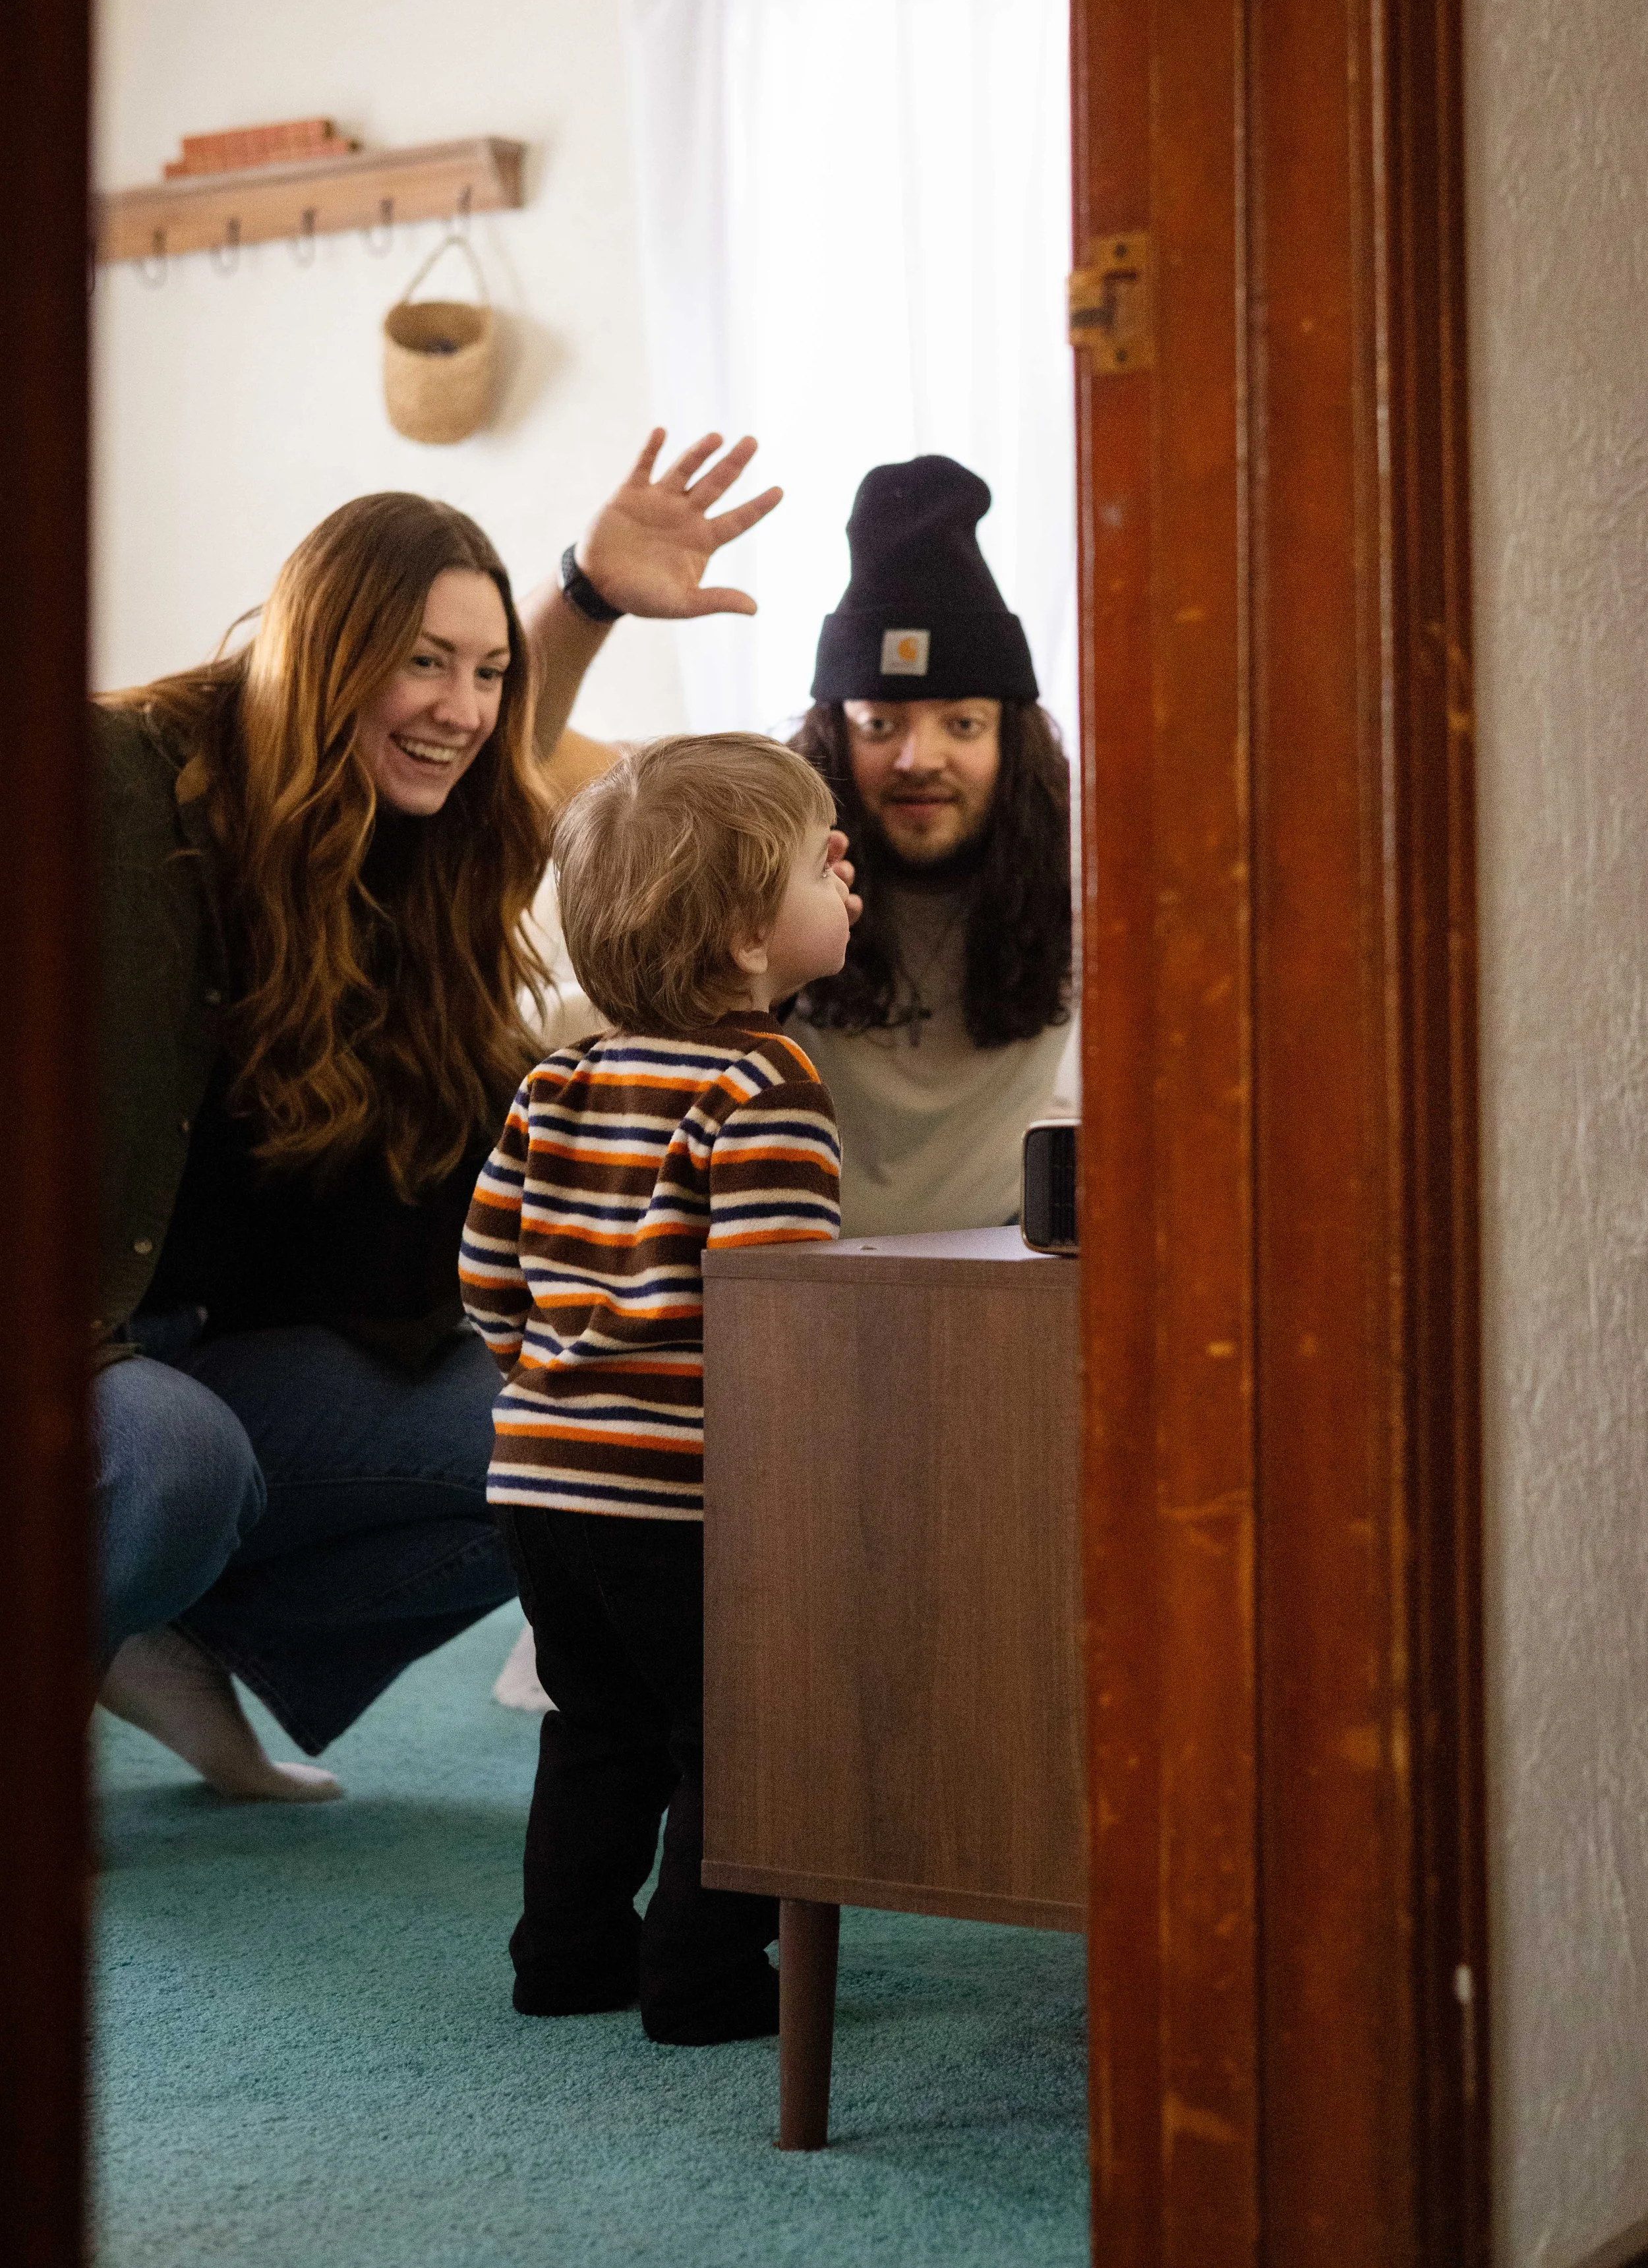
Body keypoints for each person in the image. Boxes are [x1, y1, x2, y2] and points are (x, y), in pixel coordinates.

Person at [94, 428, 792, 1802]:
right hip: (91, 1348)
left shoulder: (405, 848)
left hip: (218, 1356)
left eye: (484, 670)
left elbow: (498, 749)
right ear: (325, 653)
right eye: (422, 659)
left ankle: (156, 1635)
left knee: (574, 1431)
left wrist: (580, 602)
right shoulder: (129, 781)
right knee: (175, 1459)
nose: (461, 706)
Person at [461, 735, 848, 2043]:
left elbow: (485, 1268)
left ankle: (565, 1950)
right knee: (731, 1731)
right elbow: (771, 1318)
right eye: (818, 861)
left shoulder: (557, 1078)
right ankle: (701, 1974)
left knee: (595, 1719)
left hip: (538, 1474)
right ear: (749, 935)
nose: (843, 873)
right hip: (678, 1492)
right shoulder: (765, 1084)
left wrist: (548, 1385)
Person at [787, 453, 1076, 1237]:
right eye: (879, 723)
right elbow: (545, 784)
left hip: (992, 1280)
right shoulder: (768, 868)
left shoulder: (1086, 878)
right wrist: (591, 599)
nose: (919, 758)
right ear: (833, 737)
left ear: (1013, 740)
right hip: (790, 1279)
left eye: (963, 723)